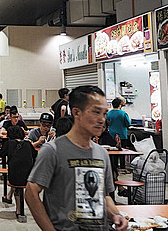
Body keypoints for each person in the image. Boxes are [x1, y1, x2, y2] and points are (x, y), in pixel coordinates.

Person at [25, 85, 128, 231]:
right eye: (96, 112)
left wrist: (116, 215)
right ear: (76, 113)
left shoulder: (102, 153)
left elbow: (104, 196)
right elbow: (31, 192)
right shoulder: (52, 150)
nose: (101, 120)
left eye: (104, 114)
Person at [0, 125, 36, 211]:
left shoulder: (9, 143)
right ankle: (10, 197)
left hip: (14, 176)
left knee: (16, 179)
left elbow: (0, 154)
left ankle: (18, 210)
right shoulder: (28, 144)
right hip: (29, 176)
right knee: (20, 173)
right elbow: (35, 155)